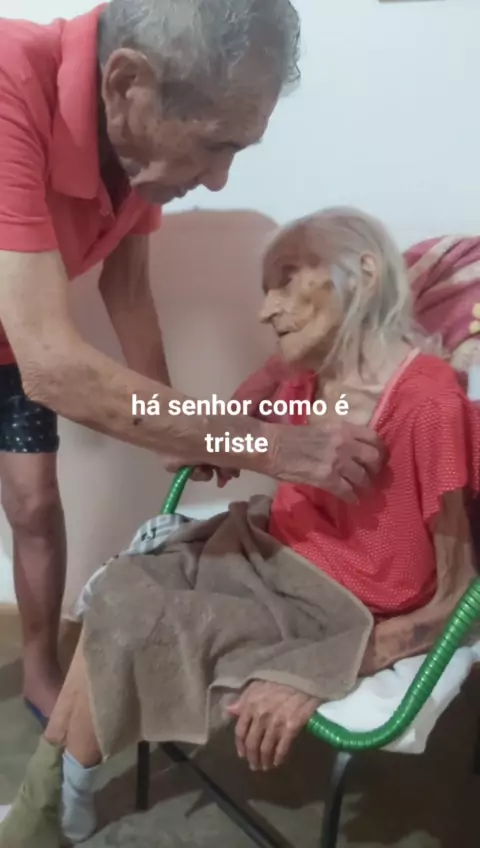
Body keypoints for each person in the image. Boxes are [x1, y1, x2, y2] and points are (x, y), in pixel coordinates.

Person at [1, 206, 479, 848]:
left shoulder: (428, 403)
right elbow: (216, 436)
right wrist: (232, 421)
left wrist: (319, 670)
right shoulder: (307, 380)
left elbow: (457, 596)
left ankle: (48, 811)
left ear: (364, 275)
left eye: (287, 279)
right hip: (267, 552)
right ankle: (56, 802)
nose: (264, 311)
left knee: (131, 608)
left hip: (338, 603)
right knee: (119, 587)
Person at [0, 0, 384, 726]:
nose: (217, 181)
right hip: (31, 346)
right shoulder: (8, 80)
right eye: (215, 144)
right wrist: (264, 446)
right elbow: (53, 363)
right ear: (127, 84)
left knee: (36, 506)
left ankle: (41, 671)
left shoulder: (132, 152)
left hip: (9, 344)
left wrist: (181, 431)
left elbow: (127, 291)